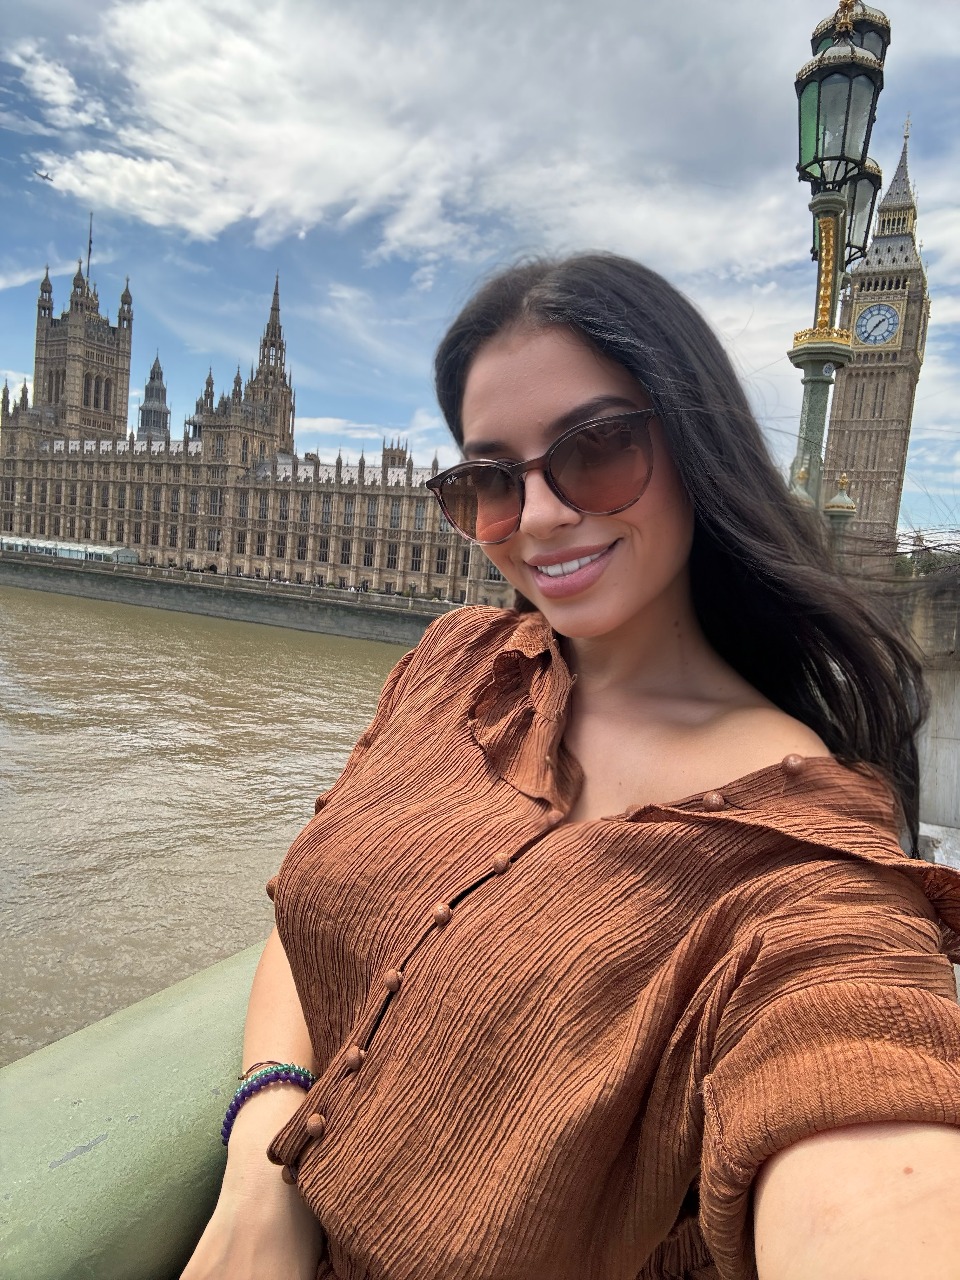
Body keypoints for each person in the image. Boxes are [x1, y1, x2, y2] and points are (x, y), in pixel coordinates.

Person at [182, 254, 960, 1280]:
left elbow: (860, 1092)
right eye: (488, 480)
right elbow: (317, 903)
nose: (540, 515)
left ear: (699, 447)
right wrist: (261, 1158)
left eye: (595, 450)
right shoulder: (454, 664)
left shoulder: (802, 865)